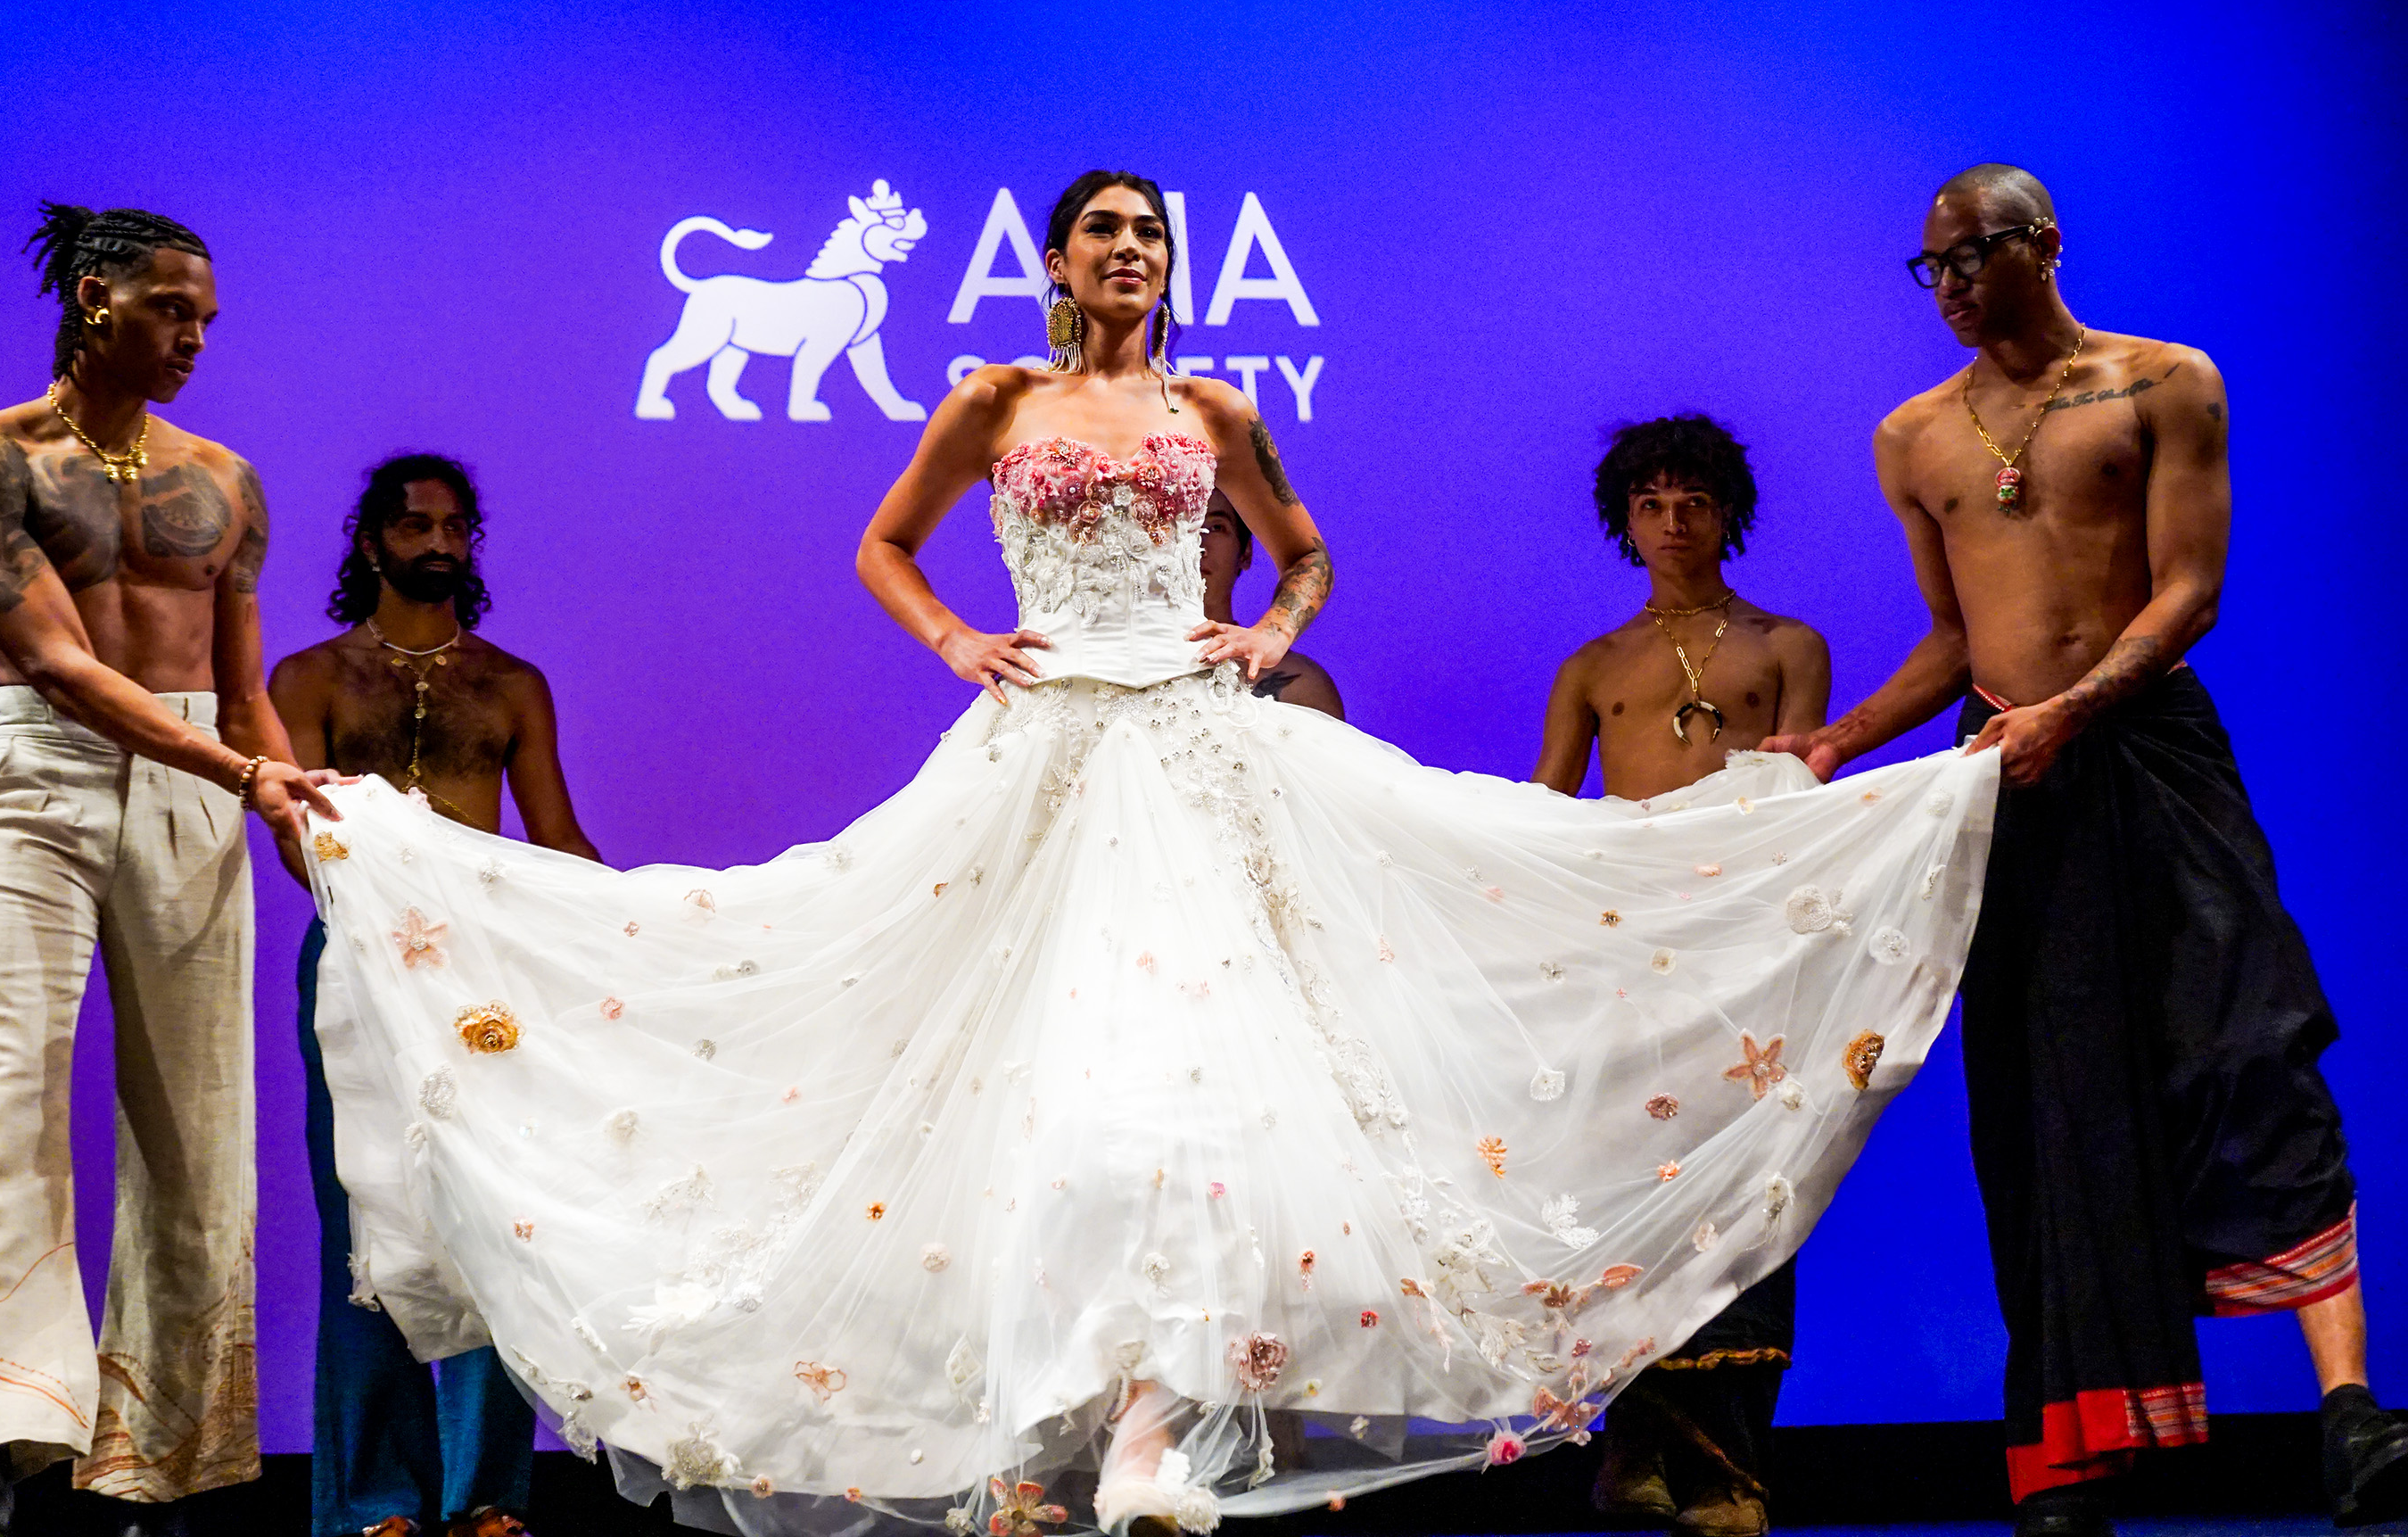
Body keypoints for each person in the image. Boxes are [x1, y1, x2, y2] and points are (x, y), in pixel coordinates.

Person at [298, 169, 2002, 1537]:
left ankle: (1153, 1430)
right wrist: (962, 643)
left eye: (1153, 237)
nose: (1132, 253)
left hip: (1190, 753)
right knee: (1037, 1088)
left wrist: (1270, 634)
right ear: (1055, 258)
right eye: (1106, 231)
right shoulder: (996, 398)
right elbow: (885, 546)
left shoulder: (1215, 403)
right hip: (1043, 751)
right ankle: (1045, 1427)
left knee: (1197, 1087)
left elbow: (1308, 557)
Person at [1764, 164, 2408, 1535]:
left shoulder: (2164, 383)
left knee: (2250, 1049)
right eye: (1926, 269)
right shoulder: (1914, 437)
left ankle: (2351, 1413)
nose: (1943, 289)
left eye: (1966, 259)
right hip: (2008, 779)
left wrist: (2074, 708)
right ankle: (2069, 1461)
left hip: (2150, 755)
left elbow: (2190, 589)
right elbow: (1954, 639)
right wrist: (1845, 739)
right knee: (2051, 1107)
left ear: (2041, 246)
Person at [0, 205, 335, 1537]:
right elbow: (67, 667)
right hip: (45, 782)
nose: (192, 337)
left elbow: (244, 697)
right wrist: (242, 776)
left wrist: (314, 849)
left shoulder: (228, 481)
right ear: (94, 299)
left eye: (205, 318)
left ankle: (164, 1463)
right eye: (168, 310)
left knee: (198, 1133)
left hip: (202, 785)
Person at [271, 454, 602, 1537]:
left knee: (495, 1217)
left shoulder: (511, 683)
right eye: (416, 525)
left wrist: (646, 922)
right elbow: (296, 837)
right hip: (360, 966)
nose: (441, 543)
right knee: (366, 1220)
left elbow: (554, 838)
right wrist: (388, 905)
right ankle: (375, 1498)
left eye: (459, 527)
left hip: (486, 972)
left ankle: (490, 1494)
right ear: (369, 541)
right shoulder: (309, 678)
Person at [1531, 415, 1827, 1537]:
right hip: (1628, 962)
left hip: (1746, 956)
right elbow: (1547, 817)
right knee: (1636, 1192)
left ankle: (1733, 1475)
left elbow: (1797, 807)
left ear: (1727, 510)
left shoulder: (1787, 645)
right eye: (1649, 502)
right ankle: (1639, 1451)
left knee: (1751, 1198)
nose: (1671, 520)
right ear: (1624, 518)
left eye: (1691, 499)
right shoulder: (1594, 666)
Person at [1197, 486, 1343, 717]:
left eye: (1217, 528)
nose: (1198, 544)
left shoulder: (1302, 687)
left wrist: (1273, 633)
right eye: (1183, 528)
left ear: (1245, 552)